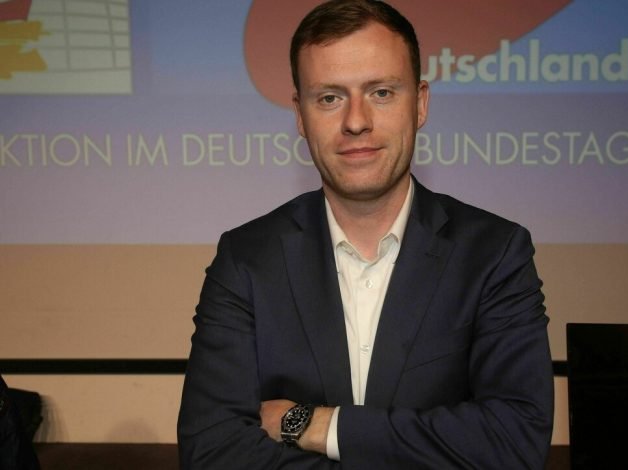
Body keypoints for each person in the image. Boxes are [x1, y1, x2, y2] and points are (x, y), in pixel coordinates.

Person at [177, 0, 553, 468]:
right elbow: (211, 451)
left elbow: (514, 442)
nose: (356, 121)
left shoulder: (495, 253)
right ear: (300, 115)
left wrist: (318, 425)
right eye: (329, 98)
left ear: (420, 103)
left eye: (381, 92)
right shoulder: (246, 259)